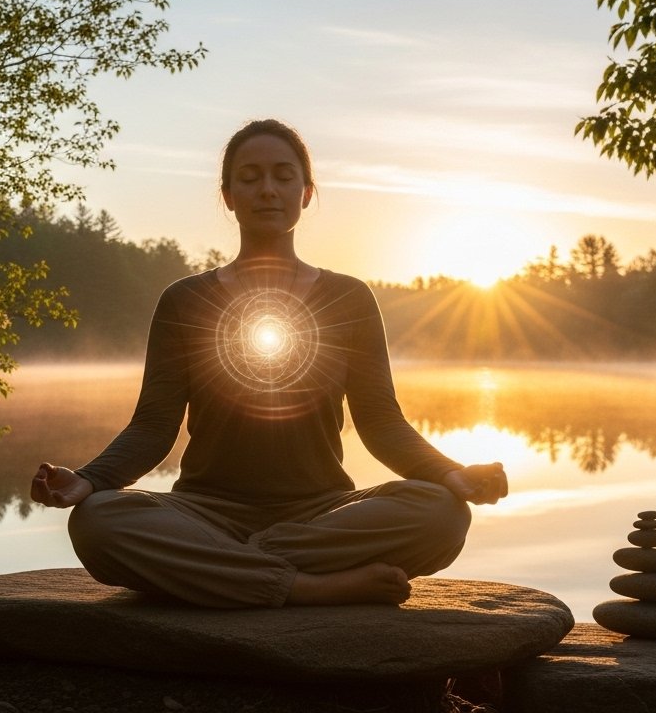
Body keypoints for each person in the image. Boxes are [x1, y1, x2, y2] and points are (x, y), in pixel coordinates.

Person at [30, 119, 508, 608]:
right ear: (228, 195)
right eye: (250, 177)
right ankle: (308, 586)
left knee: (443, 514)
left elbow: (382, 422)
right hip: (205, 511)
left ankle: (230, 569)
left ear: (306, 193)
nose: (267, 190)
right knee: (98, 520)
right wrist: (88, 480)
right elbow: (153, 426)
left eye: (283, 176)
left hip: (322, 513)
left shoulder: (349, 299)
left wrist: (452, 474)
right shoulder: (186, 301)